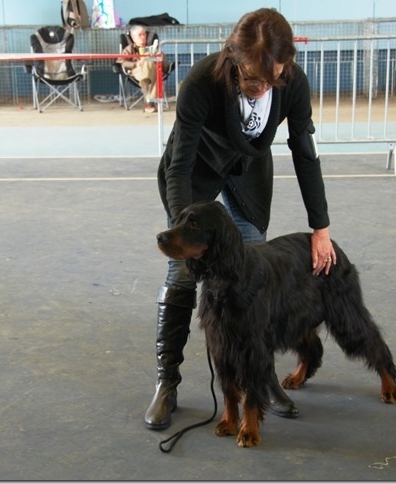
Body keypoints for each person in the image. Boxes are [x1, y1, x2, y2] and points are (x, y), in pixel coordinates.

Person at [145, 7, 337, 431]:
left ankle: (260, 380)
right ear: (233, 56)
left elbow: (305, 154)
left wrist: (320, 228)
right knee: (181, 275)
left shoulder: (293, 84)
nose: (262, 87)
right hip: (195, 172)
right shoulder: (201, 81)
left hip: (248, 173)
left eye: (273, 77)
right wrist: (184, 227)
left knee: (250, 279)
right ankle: (167, 383)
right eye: (252, 77)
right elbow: (179, 167)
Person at [117, 24, 171, 113]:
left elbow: (166, 64)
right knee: (153, 68)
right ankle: (150, 103)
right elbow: (121, 62)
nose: (143, 37)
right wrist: (136, 64)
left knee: (152, 64)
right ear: (133, 38)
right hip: (137, 72)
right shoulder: (129, 49)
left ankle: (146, 85)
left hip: (152, 73)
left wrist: (158, 56)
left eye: (144, 34)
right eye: (140, 35)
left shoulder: (153, 49)